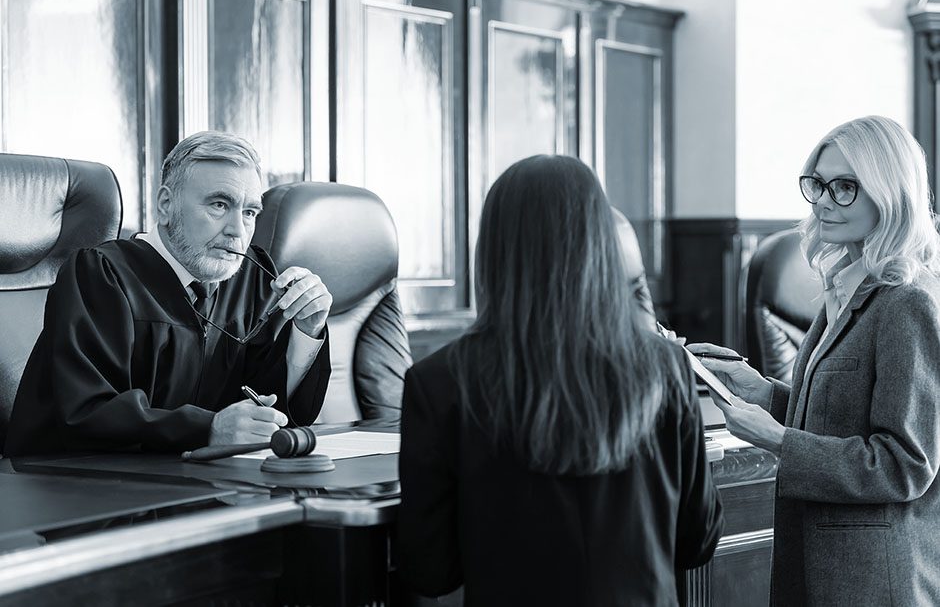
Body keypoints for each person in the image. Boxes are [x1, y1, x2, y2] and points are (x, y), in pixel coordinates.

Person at [398, 155, 723, 606]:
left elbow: (430, 569)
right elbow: (697, 541)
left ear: (491, 250)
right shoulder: (666, 368)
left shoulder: (439, 383)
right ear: (599, 246)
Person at [689, 115, 940, 605]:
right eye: (819, 184)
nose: (824, 200)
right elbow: (844, 417)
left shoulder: (908, 302)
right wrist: (765, 393)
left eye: (845, 186)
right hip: (822, 566)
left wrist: (776, 439)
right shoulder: (846, 283)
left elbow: (903, 465)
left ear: (891, 195)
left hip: (874, 583)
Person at [4, 131, 332, 456]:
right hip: (77, 487)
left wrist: (307, 329)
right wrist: (208, 429)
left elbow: (265, 407)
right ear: (166, 205)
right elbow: (88, 412)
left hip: (196, 485)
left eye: (249, 212)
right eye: (219, 205)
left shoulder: (252, 279)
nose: (237, 231)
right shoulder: (102, 275)